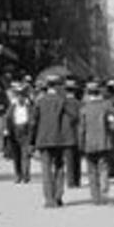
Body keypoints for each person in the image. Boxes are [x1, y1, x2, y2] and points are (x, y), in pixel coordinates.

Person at [30, 74, 79, 208]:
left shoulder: (40, 101)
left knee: (46, 170)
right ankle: (58, 196)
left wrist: (32, 141)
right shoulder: (63, 100)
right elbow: (74, 116)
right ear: (58, 86)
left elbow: (33, 121)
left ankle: (49, 199)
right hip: (60, 139)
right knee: (59, 167)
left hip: (44, 139)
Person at [78, 82, 114, 204]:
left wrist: (80, 145)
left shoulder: (84, 109)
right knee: (103, 168)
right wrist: (113, 126)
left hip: (89, 144)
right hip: (104, 142)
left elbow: (81, 129)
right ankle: (104, 191)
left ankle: (95, 197)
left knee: (91, 171)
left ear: (87, 94)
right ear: (99, 93)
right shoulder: (105, 106)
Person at [2, 80, 34, 184]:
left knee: (26, 154)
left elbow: (33, 119)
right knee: (16, 155)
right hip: (15, 130)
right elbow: (7, 118)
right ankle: (18, 175)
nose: (20, 98)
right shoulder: (13, 106)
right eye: (18, 96)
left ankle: (26, 175)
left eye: (22, 96)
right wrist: (7, 129)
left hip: (25, 130)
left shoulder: (29, 107)